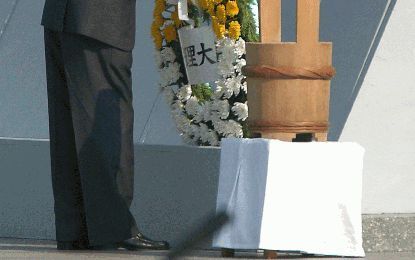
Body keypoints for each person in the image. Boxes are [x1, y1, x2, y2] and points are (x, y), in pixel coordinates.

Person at [41, 0, 169, 251]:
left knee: (68, 127)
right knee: (108, 122)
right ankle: (114, 228)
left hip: (62, 14)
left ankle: (75, 229)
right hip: (100, 18)